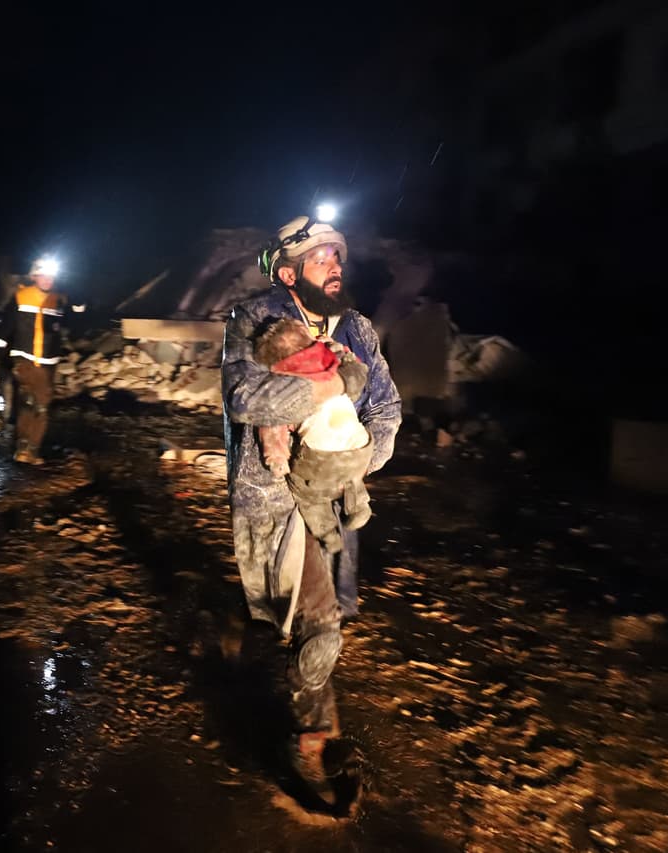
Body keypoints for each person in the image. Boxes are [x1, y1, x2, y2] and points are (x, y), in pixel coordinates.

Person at [222, 213, 401, 807]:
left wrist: (362, 455)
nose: (337, 266)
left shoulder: (359, 329)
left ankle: (304, 701)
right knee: (319, 624)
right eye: (323, 257)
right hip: (275, 500)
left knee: (320, 617)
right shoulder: (255, 320)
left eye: (339, 256)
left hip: (336, 497)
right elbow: (244, 397)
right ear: (290, 270)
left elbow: (387, 407)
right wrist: (330, 386)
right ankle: (311, 742)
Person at [251, 318, 373, 554]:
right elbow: (357, 372)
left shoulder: (284, 385)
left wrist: (277, 459)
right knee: (351, 474)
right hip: (361, 448)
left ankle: (327, 535)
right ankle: (359, 504)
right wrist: (339, 350)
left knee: (306, 495)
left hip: (321, 460)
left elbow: (272, 423)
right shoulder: (331, 360)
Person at [0, 256, 71, 465]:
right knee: (36, 405)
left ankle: (26, 448)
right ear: (35, 276)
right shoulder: (21, 297)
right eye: (44, 275)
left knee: (32, 405)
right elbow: (4, 329)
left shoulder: (58, 300)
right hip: (24, 360)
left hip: (47, 364)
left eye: (51, 276)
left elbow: (74, 319)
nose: (48, 280)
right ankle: (28, 449)